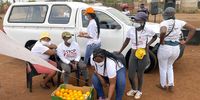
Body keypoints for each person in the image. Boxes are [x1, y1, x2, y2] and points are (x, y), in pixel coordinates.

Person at [118, 12, 157, 99]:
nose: (135, 21)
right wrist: (120, 51)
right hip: (133, 53)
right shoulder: (131, 30)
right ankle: (133, 89)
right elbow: (126, 41)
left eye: (137, 20)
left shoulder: (147, 30)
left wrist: (148, 44)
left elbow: (155, 36)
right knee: (131, 74)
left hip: (143, 54)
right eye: (135, 19)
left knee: (140, 74)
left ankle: (139, 90)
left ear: (143, 21)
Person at [157, 7, 196, 92]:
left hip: (165, 48)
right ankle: (171, 85)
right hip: (176, 48)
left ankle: (163, 85)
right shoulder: (180, 22)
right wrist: (186, 41)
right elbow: (193, 29)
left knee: (163, 67)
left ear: (165, 14)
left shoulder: (164, 23)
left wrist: (161, 40)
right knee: (170, 66)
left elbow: (163, 31)